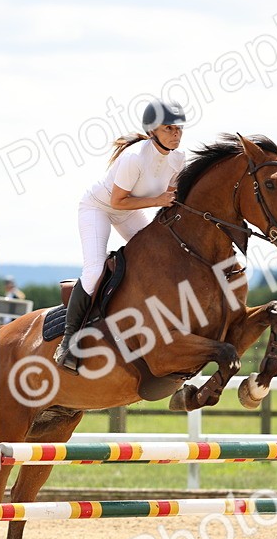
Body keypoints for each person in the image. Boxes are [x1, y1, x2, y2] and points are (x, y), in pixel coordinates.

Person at [54, 97, 187, 371]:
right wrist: (158, 201)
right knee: (94, 270)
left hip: (128, 210)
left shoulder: (179, 159)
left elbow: (170, 198)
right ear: (153, 132)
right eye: (168, 129)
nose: (176, 134)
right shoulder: (134, 158)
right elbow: (117, 202)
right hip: (99, 208)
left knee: (161, 259)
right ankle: (68, 342)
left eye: (179, 129)